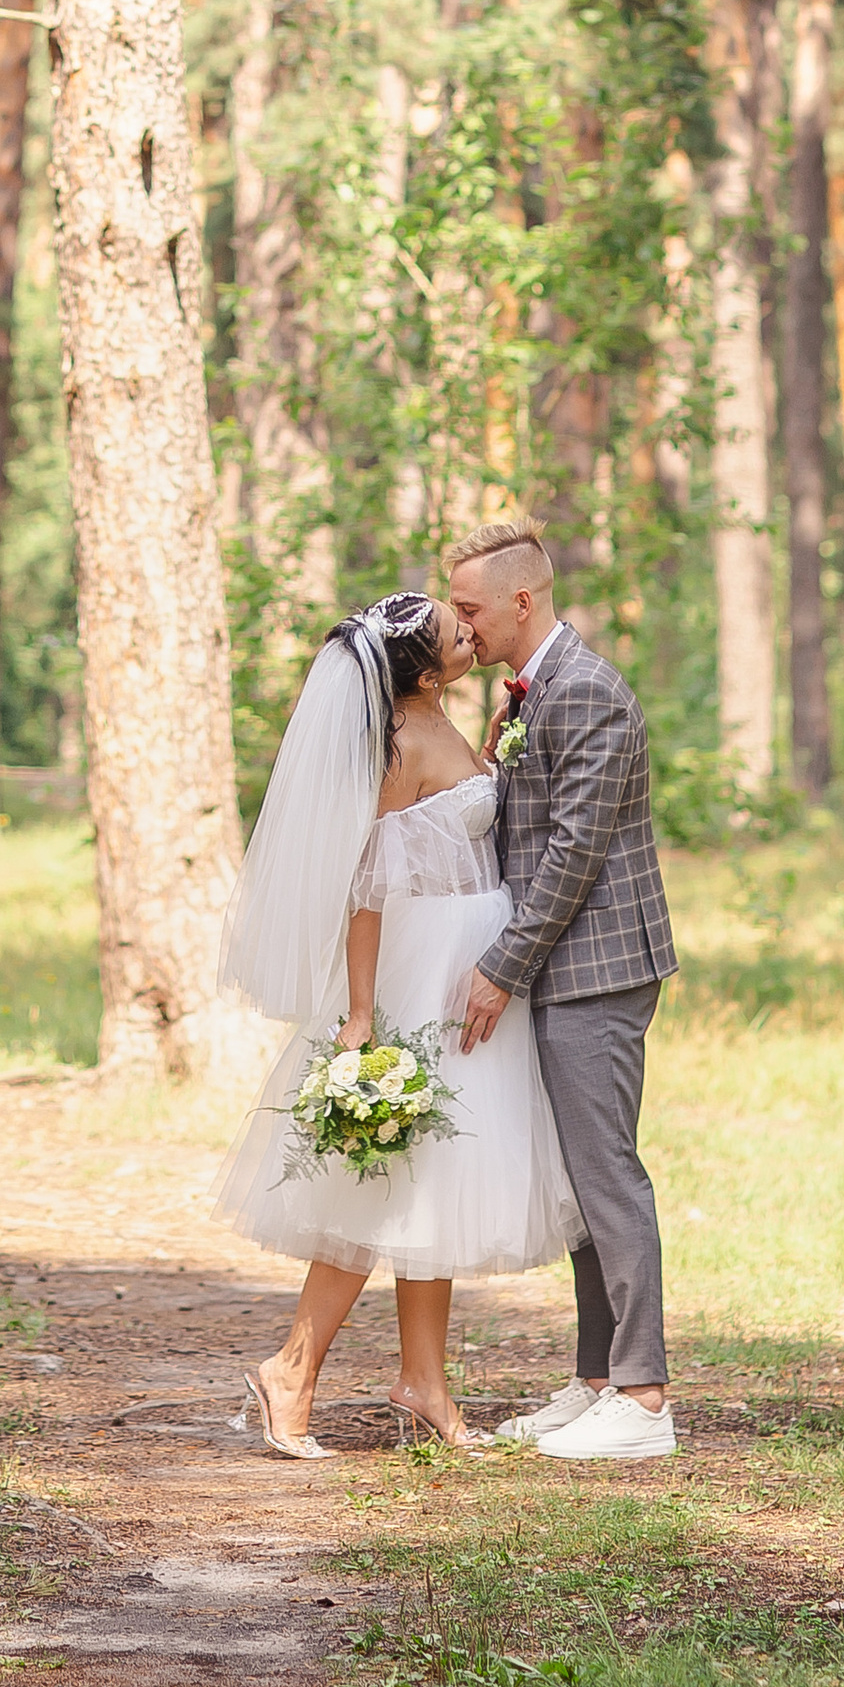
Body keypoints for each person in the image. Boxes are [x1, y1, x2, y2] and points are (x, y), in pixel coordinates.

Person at [212, 587, 583, 1456]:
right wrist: (359, 1016)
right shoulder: (393, 744)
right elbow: (364, 890)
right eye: (458, 635)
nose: (473, 635)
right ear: (420, 672)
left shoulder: (452, 720)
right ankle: (292, 1369)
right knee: (380, 1183)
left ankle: (424, 1383)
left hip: (475, 968)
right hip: (423, 974)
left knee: (435, 1189)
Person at [446, 510, 680, 1464]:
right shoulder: (536, 691)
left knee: (607, 1176)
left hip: (595, 967)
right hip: (564, 963)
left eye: (471, 609)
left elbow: (577, 850)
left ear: (522, 599)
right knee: (581, 1184)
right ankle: (596, 1383)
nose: (463, 627)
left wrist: (502, 967)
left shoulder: (586, 691)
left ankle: (647, 1398)